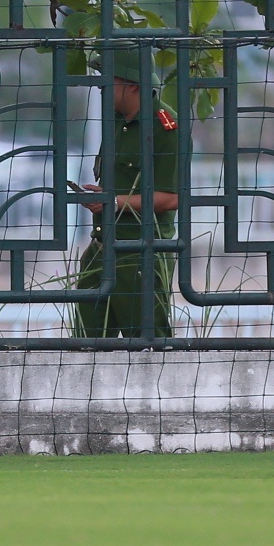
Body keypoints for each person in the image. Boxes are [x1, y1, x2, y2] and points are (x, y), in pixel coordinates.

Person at [74, 46, 180, 338]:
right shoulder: (115, 121)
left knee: (147, 348)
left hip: (141, 253)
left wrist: (113, 202)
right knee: (86, 348)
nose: (101, 86)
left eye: (109, 79)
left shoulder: (165, 127)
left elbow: (172, 198)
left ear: (132, 84)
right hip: (101, 247)